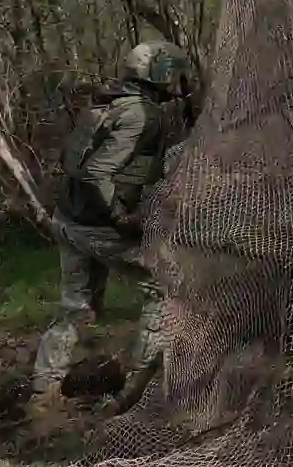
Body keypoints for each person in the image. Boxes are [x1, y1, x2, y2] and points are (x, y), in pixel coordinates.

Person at [31, 40, 193, 411]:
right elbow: (97, 171)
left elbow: (74, 159)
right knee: (165, 288)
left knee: (75, 307)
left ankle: (43, 392)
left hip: (69, 219)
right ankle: (136, 390)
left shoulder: (104, 102)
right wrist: (121, 217)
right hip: (99, 224)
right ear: (161, 73)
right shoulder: (142, 114)